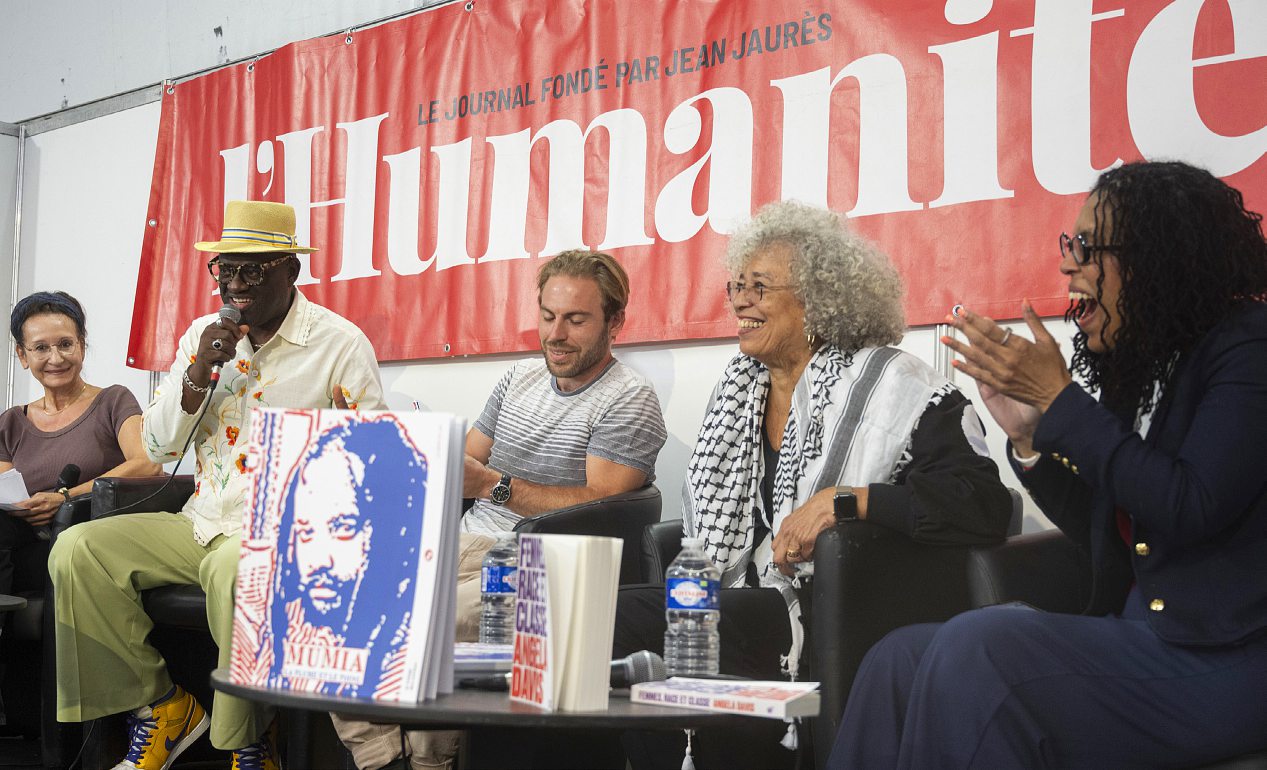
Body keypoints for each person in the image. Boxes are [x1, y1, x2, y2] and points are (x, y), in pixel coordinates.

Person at [829, 160, 1267, 768]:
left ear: (1155, 256)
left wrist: (1063, 404)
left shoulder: (1248, 349)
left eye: (1086, 247)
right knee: (894, 660)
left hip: (1228, 656)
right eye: (1071, 245)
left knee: (981, 648)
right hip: (1149, 636)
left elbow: (1189, 506)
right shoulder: (1144, 366)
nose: (1068, 264)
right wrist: (1032, 439)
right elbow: (1108, 530)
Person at [612, 200, 1014, 769]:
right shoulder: (738, 390)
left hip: (817, 613)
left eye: (759, 286)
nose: (740, 301)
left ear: (819, 301)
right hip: (740, 595)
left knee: (618, 619)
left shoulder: (891, 384)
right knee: (608, 622)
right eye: (736, 285)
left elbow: (983, 505)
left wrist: (847, 501)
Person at [48, 200, 385, 770]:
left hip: (284, 534)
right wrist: (197, 374)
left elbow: (372, 461)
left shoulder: (339, 344)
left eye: (251, 269)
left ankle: (248, 744)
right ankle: (161, 708)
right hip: (202, 520)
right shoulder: (203, 337)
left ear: (291, 271)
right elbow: (158, 450)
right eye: (225, 269)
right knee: (77, 550)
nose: (235, 283)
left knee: (236, 567)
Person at [331, 249, 668, 770]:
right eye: (548, 316)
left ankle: (427, 765)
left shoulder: (629, 397)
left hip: (545, 558)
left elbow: (602, 504)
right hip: (467, 540)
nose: (557, 333)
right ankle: (382, 759)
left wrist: (493, 485)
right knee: (342, 594)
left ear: (615, 322)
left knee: (441, 617)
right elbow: (465, 457)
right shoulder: (518, 378)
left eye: (577, 320)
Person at [0, 291, 160, 601]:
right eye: (41, 348)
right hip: (19, 547)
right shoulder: (11, 422)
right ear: (22, 355)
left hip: (85, 545)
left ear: (82, 346)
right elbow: (5, 493)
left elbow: (147, 463)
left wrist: (65, 497)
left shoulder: (113, 401)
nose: (55, 358)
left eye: (65, 344)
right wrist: (24, 507)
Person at [268, 416, 427, 699]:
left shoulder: (406, 644)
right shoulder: (291, 626)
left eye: (342, 529)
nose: (318, 562)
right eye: (305, 533)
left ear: (389, 531)